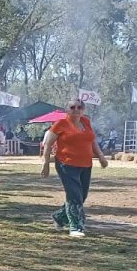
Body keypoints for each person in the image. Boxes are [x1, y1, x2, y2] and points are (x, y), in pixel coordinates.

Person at [41, 99, 107, 237]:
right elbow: (47, 145)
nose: (76, 109)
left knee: (82, 196)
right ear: (67, 109)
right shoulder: (61, 124)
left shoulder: (86, 122)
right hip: (66, 164)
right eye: (72, 107)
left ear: (83, 109)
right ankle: (76, 226)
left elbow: (92, 140)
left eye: (80, 107)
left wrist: (101, 156)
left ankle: (59, 217)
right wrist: (46, 164)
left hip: (86, 165)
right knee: (74, 196)